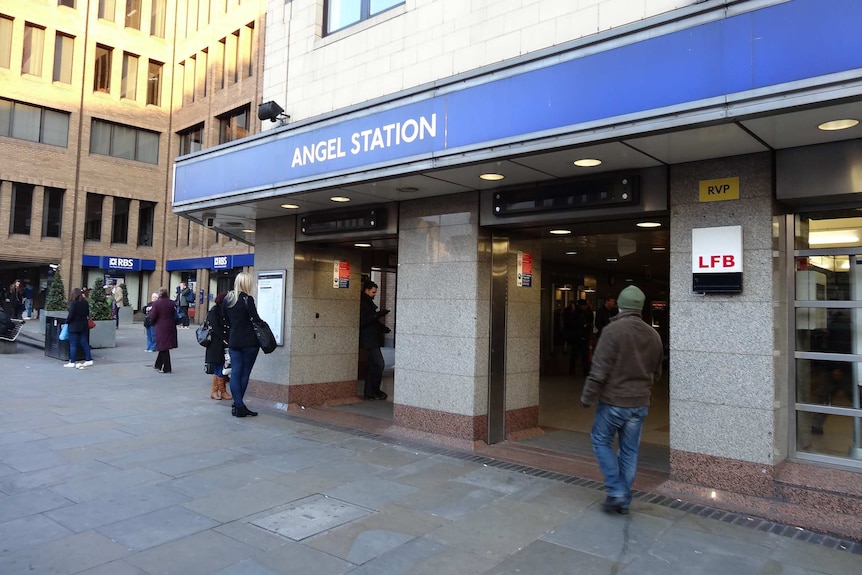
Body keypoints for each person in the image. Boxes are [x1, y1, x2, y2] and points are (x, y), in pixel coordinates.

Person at [580, 285, 663, 515]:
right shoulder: (653, 334)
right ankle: (623, 501)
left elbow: (599, 370)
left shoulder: (613, 331)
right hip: (640, 403)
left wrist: (587, 396)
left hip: (614, 401)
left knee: (600, 440)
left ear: (621, 304)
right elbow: (657, 373)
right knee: (629, 451)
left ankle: (616, 491)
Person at [223, 272, 262, 417]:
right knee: (245, 374)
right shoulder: (248, 299)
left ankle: (238, 405)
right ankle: (239, 405)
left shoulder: (228, 300)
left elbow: (226, 321)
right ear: (247, 284)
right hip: (249, 342)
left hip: (234, 342)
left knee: (235, 374)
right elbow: (256, 319)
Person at [359, 279, 390, 401]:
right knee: (378, 364)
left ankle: (371, 391)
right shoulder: (364, 303)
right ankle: (373, 390)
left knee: (373, 365)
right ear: (366, 290)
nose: (374, 295)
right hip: (369, 340)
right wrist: (378, 315)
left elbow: (373, 322)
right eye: (373, 292)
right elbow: (365, 321)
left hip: (371, 339)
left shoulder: (367, 303)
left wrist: (382, 328)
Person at [205, 292, 232, 401]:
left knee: (222, 366)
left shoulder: (226, 311)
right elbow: (216, 328)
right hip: (216, 344)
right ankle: (217, 391)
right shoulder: (214, 311)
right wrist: (225, 338)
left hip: (224, 343)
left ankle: (220, 390)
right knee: (219, 365)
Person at [149, 287, 178, 373]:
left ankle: (167, 368)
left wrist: (152, 322)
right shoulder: (172, 303)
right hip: (170, 326)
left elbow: (153, 316)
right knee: (164, 345)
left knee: (163, 347)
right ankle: (158, 364)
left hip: (161, 326)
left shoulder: (157, 304)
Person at [64, 288, 94, 369]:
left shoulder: (73, 304)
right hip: (83, 326)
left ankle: (72, 361)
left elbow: (71, 315)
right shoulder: (85, 303)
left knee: (73, 344)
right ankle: (89, 359)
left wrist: (66, 322)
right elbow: (87, 314)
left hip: (74, 326)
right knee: (84, 343)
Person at [566, 299, 593, 376]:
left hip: (583, 336)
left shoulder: (586, 312)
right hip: (577, 336)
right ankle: (574, 371)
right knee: (576, 354)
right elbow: (572, 323)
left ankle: (583, 371)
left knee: (582, 355)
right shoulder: (575, 313)